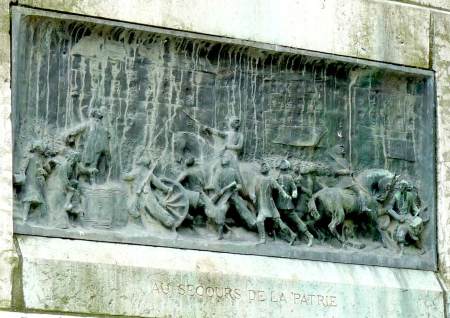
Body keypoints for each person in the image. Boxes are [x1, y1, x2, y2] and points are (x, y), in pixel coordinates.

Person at [213, 152, 256, 239]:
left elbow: (240, 185)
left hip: (234, 196)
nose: (223, 159)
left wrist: (236, 188)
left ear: (228, 160)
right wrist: (219, 191)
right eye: (223, 158)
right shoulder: (218, 172)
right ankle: (220, 234)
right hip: (224, 198)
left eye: (225, 158)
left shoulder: (233, 171)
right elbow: (216, 185)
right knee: (221, 210)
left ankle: (255, 226)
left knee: (244, 211)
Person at [254, 162, 297, 245]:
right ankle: (292, 234)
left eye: (265, 167)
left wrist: (285, 194)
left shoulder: (270, 179)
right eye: (262, 167)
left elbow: (279, 188)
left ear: (268, 170)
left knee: (263, 221)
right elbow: (256, 190)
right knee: (274, 221)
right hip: (262, 205)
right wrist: (254, 197)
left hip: (269, 205)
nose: (263, 168)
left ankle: (291, 235)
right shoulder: (258, 179)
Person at [275, 159, 314, 246]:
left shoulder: (282, 178)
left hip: (283, 205)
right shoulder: (287, 177)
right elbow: (294, 190)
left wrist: (294, 192)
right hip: (287, 205)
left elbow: (293, 189)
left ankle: (299, 235)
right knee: (295, 221)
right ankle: (303, 235)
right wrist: (294, 193)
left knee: (279, 220)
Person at [14, 140, 50, 222]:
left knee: (39, 201)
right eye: (41, 147)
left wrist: (43, 172)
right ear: (37, 148)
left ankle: (39, 220)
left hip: (38, 182)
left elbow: (45, 170)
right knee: (29, 199)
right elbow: (23, 167)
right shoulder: (30, 157)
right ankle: (24, 218)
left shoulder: (41, 159)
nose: (42, 150)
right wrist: (22, 174)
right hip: (30, 181)